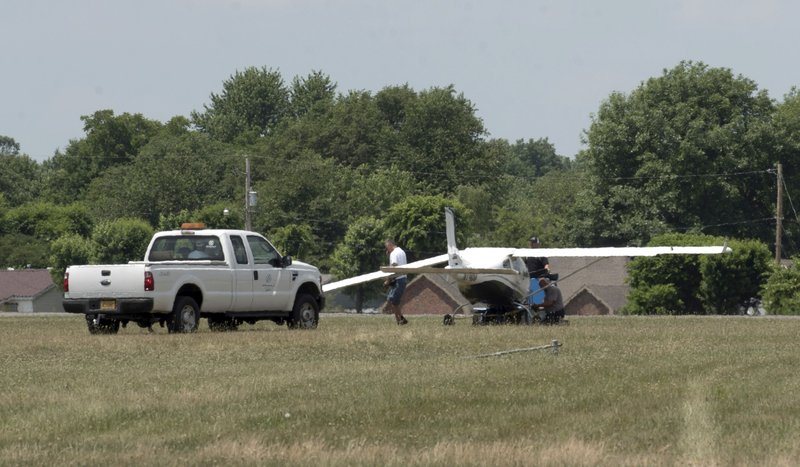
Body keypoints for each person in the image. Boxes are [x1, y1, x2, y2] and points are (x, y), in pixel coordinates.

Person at [383, 239, 409, 325]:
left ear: (390, 245)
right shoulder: (402, 251)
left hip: (399, 279)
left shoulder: (394, 253)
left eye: (387, 248)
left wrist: (387, 280)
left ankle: (400, 320)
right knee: (393, 301)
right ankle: (400, 320)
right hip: (403, 278)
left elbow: (394, 266)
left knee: (393, 300)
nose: (387, 250)